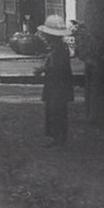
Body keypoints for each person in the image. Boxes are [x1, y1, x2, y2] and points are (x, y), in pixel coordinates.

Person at [35, 15, 74, 147]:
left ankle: (60, 139)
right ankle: (57, 138)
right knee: (54, 110)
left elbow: (57, 68)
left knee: (57, 111)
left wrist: (43, 69)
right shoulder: (58, 48)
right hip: (57, 85)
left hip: (58, 85)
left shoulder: (59, 50)